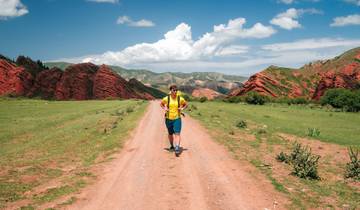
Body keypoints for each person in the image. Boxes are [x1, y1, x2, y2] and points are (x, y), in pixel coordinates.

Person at [160, 85, 188, 155]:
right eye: (174, 90)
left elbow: (186, 104)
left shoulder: (180, 99)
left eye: (176, 90)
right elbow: (161, 104)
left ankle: (177, 147)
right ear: (171, 91)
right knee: (170, 134)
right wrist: (165, 108)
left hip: (177, 118)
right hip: (168, 119)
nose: (175, 92)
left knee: (177, 133)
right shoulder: (166, 98)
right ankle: (172, 146)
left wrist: (182, 109)